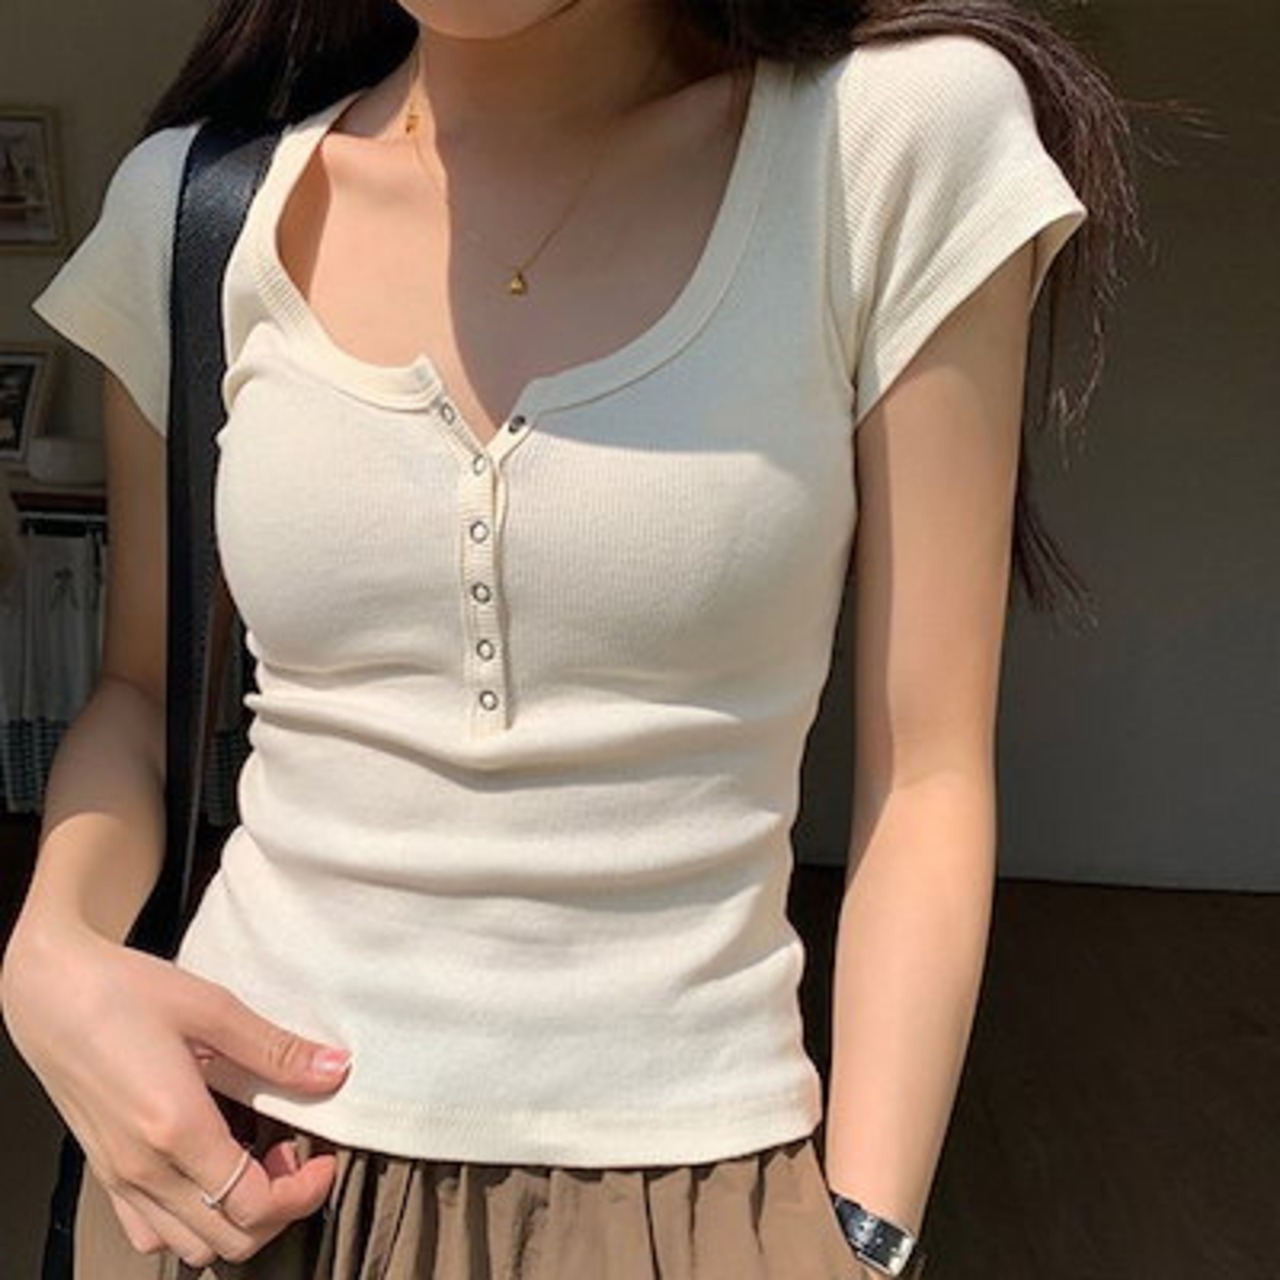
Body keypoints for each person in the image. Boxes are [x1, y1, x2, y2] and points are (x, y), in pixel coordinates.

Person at [1, 0, 1138, 1276]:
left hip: (686, 1185)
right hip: (227, 1173)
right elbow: (139, 691)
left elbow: (926, 770)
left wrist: (864, 1239)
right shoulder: (196, 208)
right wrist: (48, 954)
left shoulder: (882, 142)